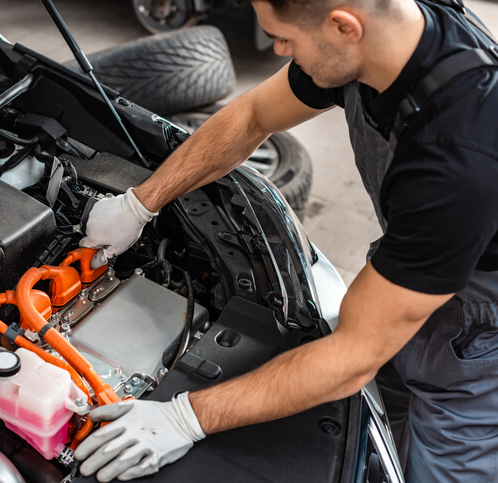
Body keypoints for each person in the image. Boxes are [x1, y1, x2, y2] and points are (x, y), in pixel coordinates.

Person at [73, 0, 498, 481]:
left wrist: (183, 416)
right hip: (412, 273)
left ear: (344, 27)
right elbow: (253, 114)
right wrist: (139, 204)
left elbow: (355, 358)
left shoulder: (461, 156)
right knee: (382, 433)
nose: (278, 49)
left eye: (285, 38)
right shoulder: (387, 39)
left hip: (480, 341)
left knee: (439, 468)